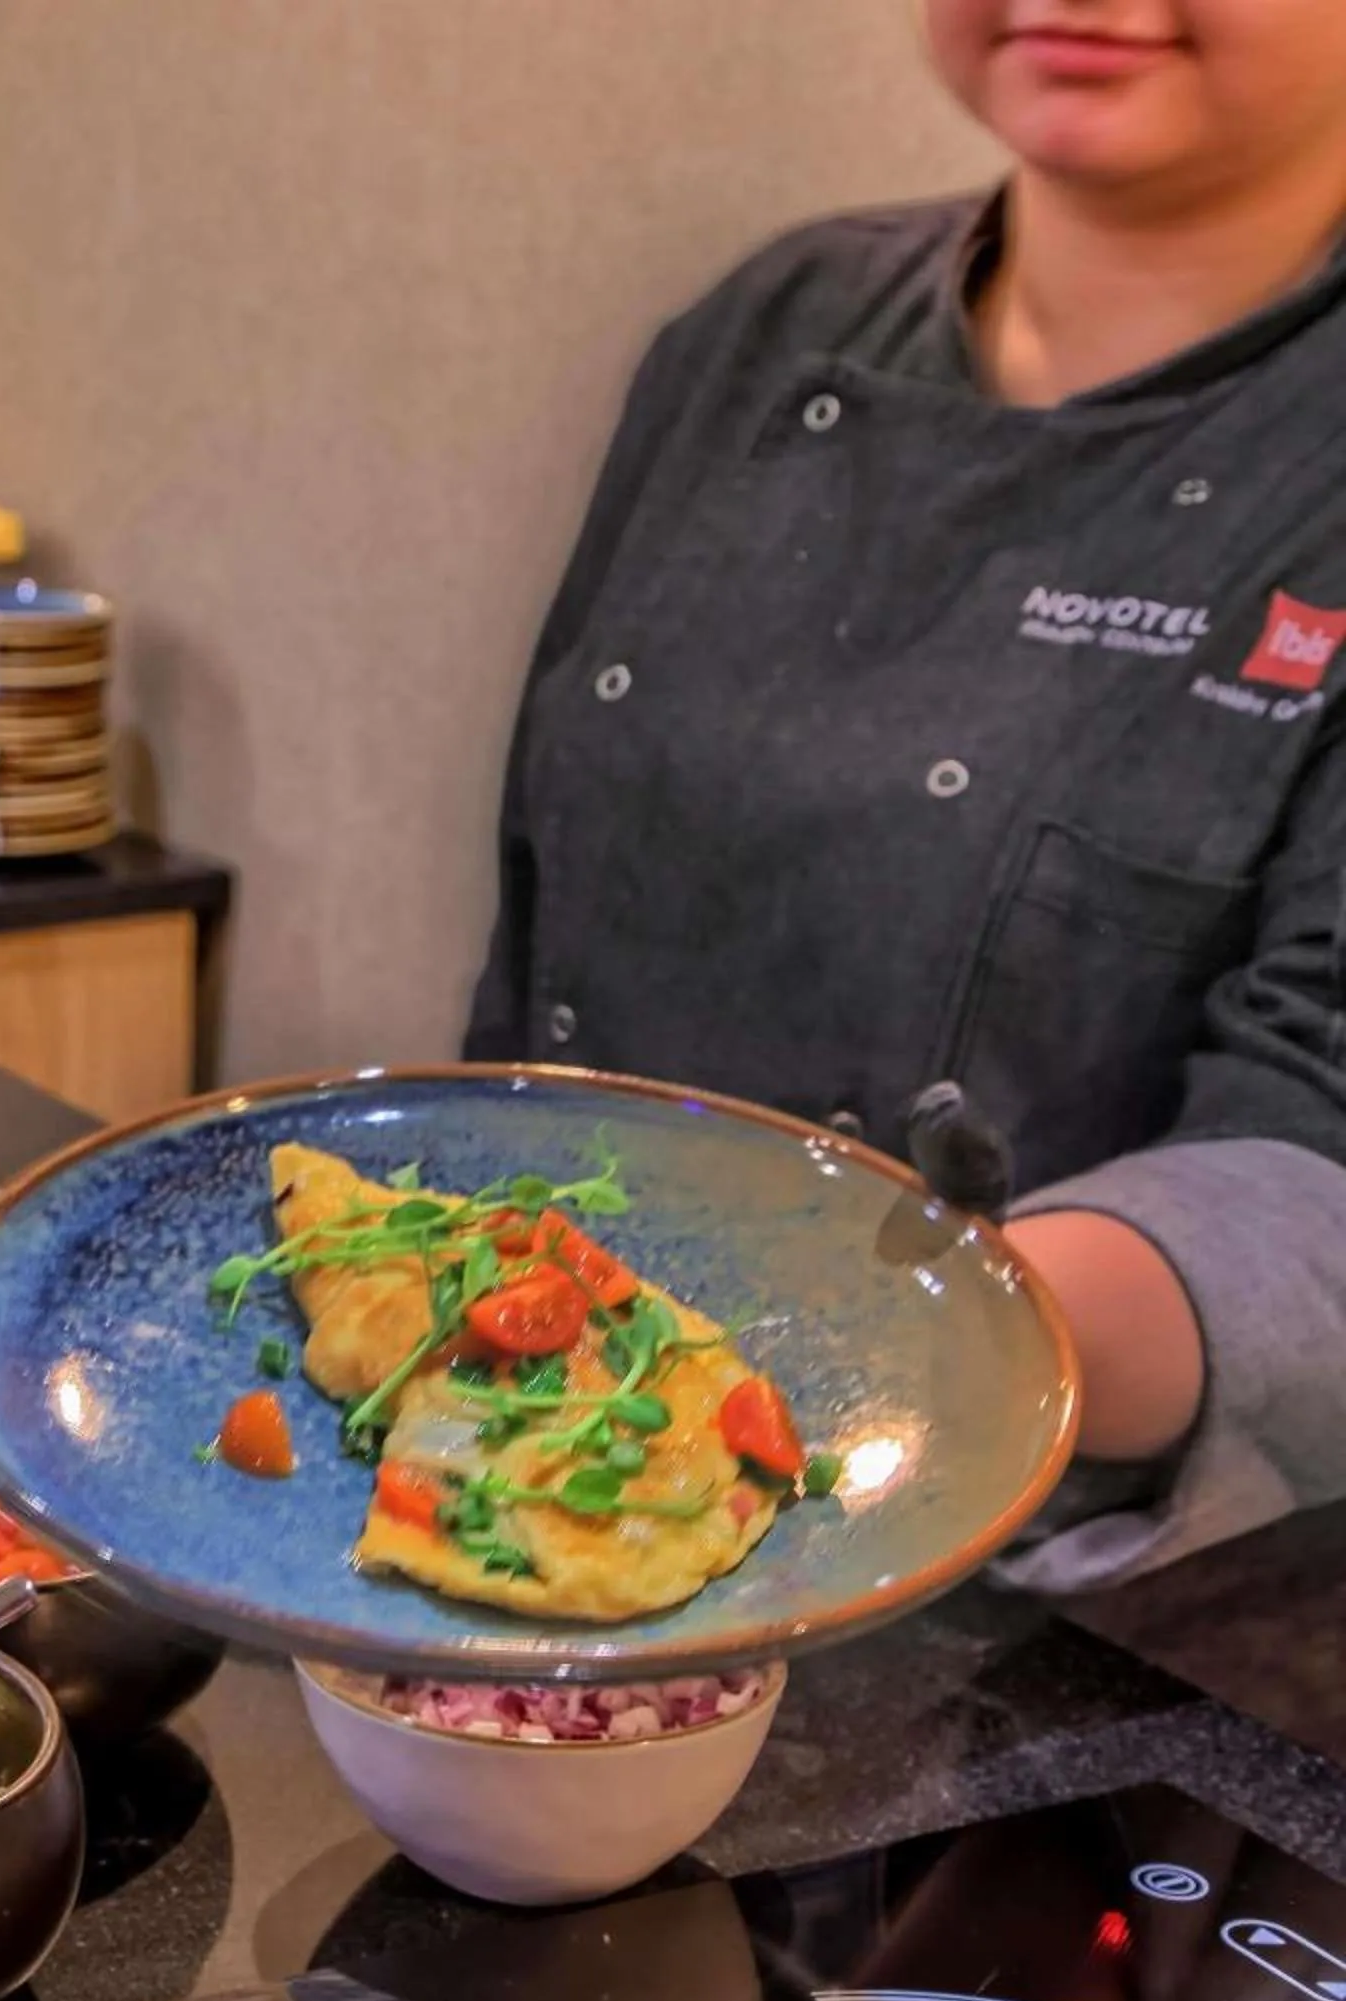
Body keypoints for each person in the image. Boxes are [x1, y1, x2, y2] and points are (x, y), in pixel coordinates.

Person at [468, 0, 1346, 1589]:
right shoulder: (769, 325)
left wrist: (816, 1362)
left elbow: (1316, 1160)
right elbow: (540, 945)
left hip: (1047, 1607)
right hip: (529, 1474)